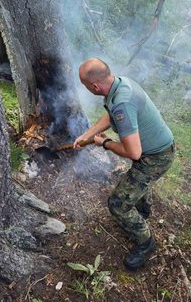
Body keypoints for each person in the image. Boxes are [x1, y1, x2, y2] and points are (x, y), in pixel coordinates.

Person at [74, 58, 175, 271]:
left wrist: (106, 143)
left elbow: (134, 152)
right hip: (156, 150)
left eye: (85, 85)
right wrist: (87, 134)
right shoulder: (120, 84)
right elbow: (111, 116)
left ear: (94, 86)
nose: (86, 89)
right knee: (138, 183)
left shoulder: (122, 102)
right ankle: (143, 210)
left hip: (155, 158)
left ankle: (146, 244)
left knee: (117, 204)